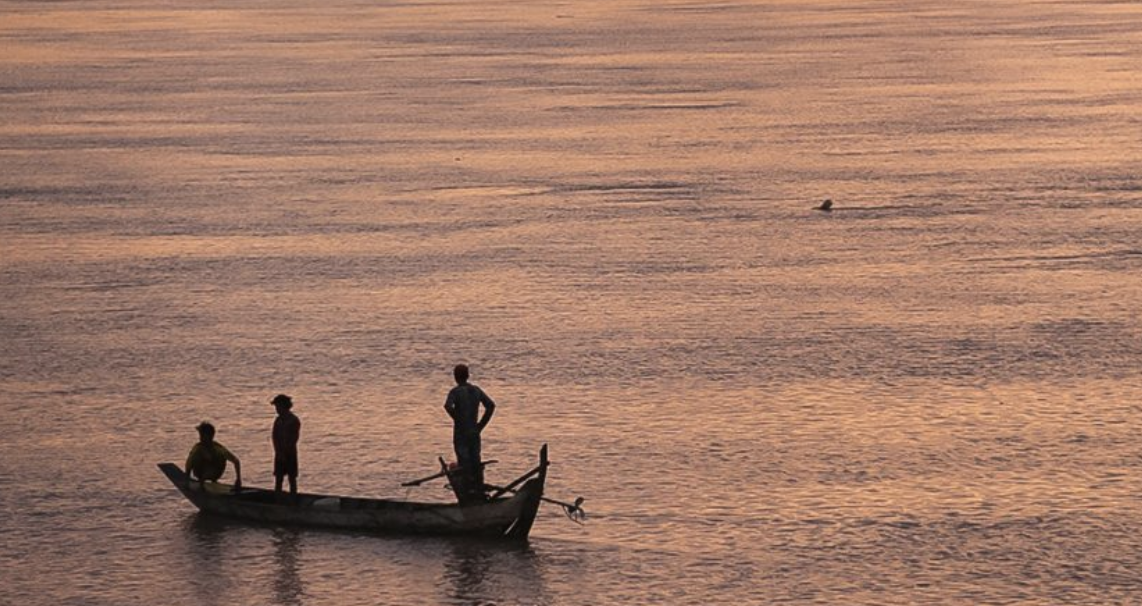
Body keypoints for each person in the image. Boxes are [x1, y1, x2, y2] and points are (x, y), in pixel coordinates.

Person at [443, 364, 496, 493]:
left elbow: (448, 406)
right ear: (467, 376)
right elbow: (491, 406)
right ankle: (477, 487)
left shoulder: (456, 392)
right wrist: (480, 425)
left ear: (455, 377)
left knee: (464, 460)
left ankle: (469, 489)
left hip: (462, 432)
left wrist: (458, 419)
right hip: (474, 431)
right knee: (475, 460)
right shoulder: (476, 390)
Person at [185, 421, 242, 490]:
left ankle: (202, 484)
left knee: (197, 455)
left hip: (212, 473)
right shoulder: (217, 447)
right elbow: (236, 461)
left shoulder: (200, 448)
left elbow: (236, 461)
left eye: (201, 435)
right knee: (197, 456)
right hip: (214, 473)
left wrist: (238, 479)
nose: (200, 437)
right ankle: (209, 481)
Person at [271, 394, 302, 497]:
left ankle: (293, 500)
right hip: (279, 453)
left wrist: (285, 452)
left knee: (292, 478)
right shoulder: (278, 420)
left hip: (290, 454)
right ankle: (277, 500)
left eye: (278, 406)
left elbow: (294, 439)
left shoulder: (293, 420)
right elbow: (274, 437)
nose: (277, 409)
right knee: (278, 478)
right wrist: (278, 452)